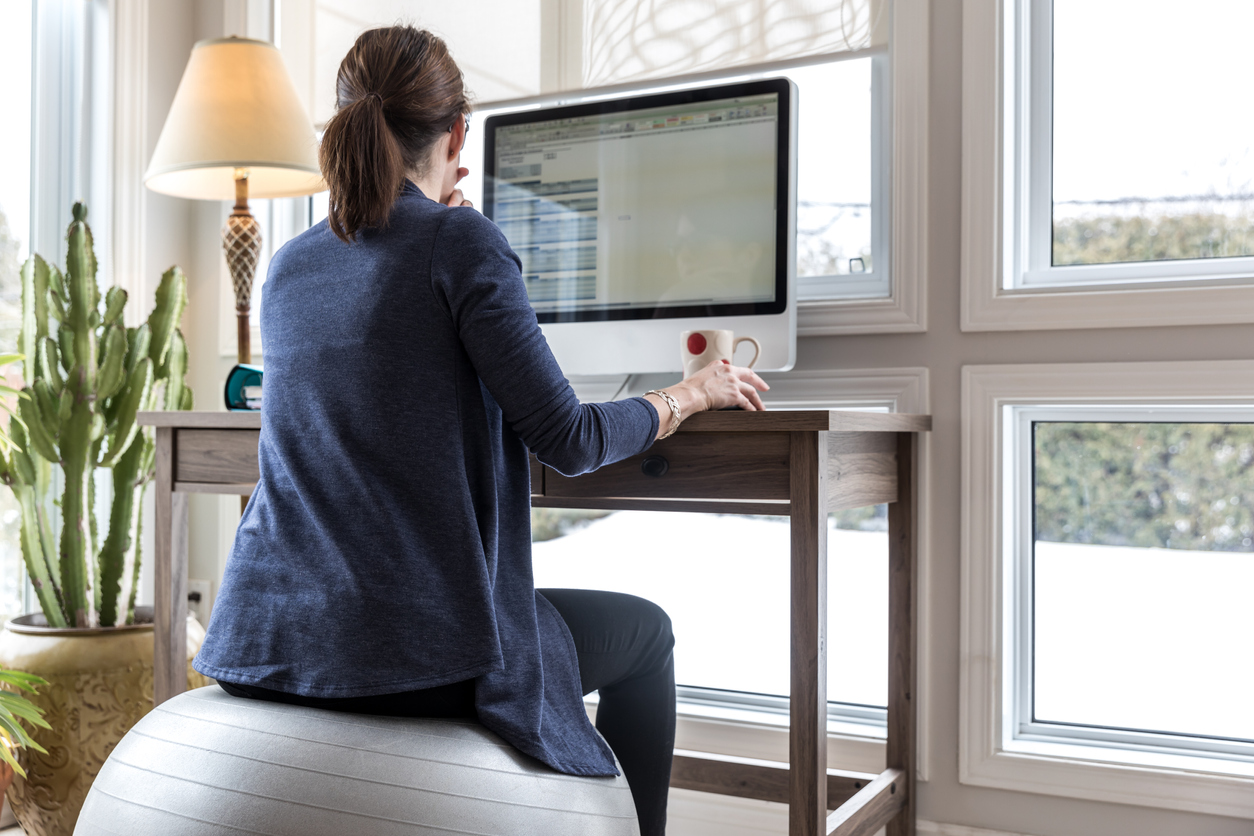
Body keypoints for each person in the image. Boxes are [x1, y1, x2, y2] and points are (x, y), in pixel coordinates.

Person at [192, 25, 768, 836]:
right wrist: (691, 395)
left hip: (265, 641)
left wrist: (448, 232)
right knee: (648, 635)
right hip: (404, 654)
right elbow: (569, 438)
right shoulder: (460, 241)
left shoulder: (290, 264)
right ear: (458, 131)